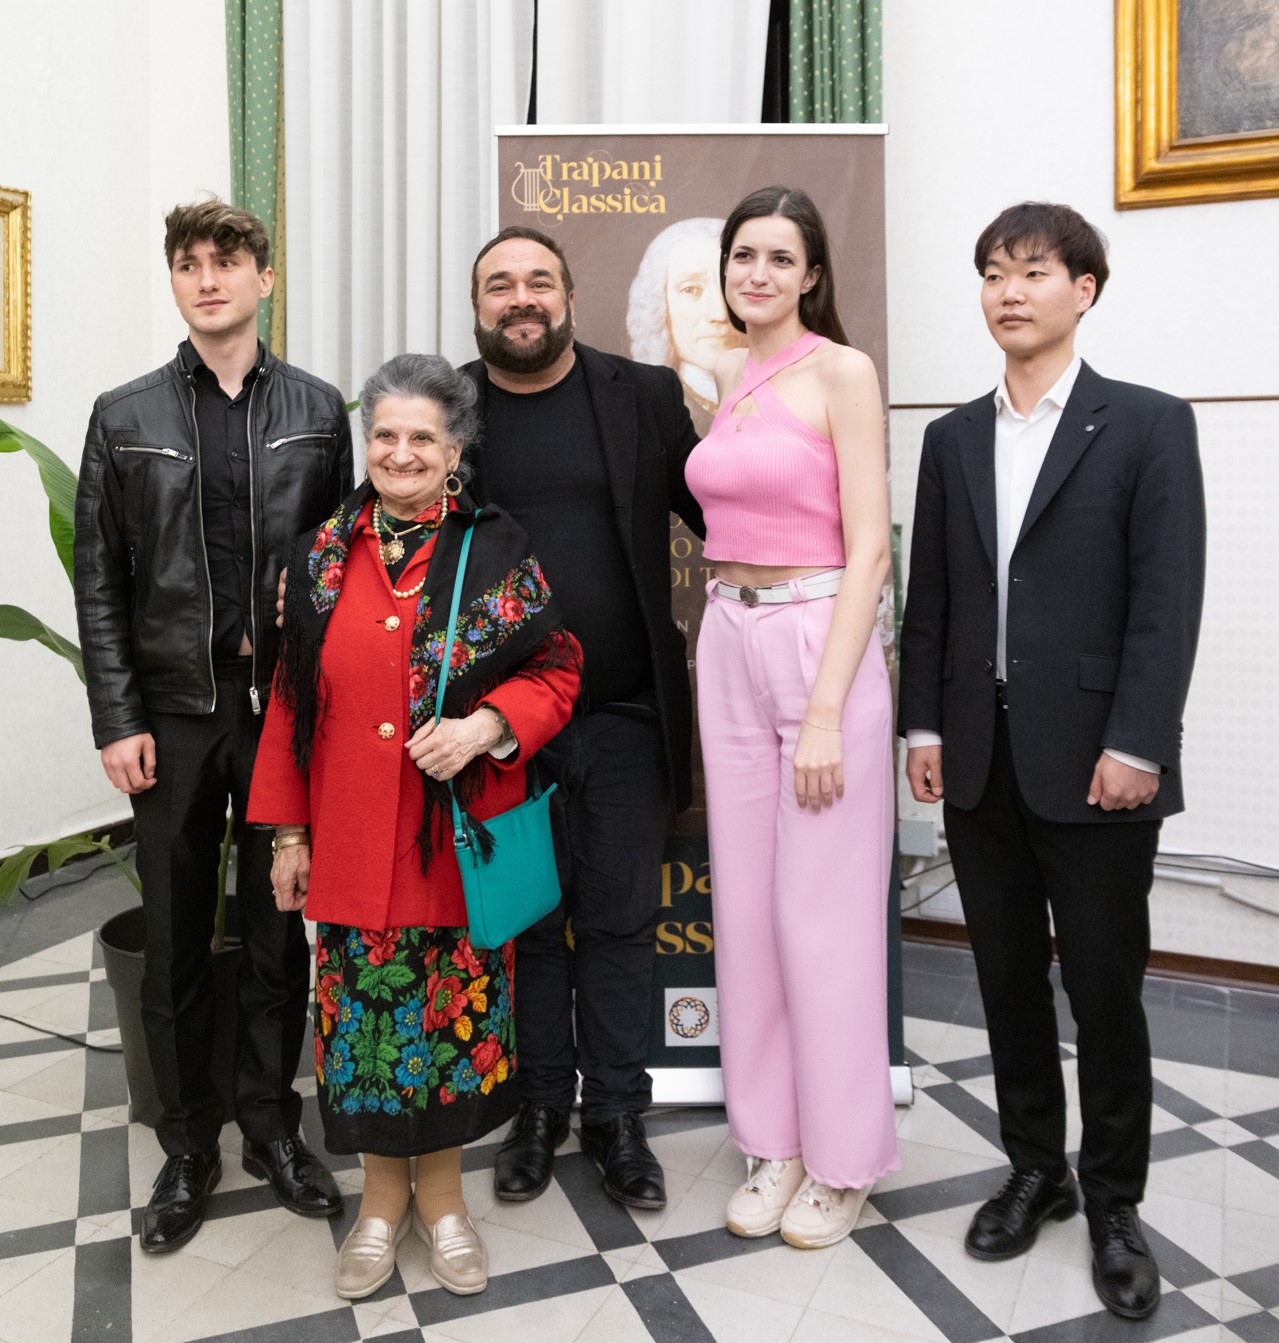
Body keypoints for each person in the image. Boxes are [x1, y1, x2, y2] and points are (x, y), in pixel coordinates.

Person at [898, 202, 1206, 1320]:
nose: (1007, 290)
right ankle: (1037, 1166)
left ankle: (1117, 1200)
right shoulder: (947, 439)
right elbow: (929, 598)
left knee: (1103, 985)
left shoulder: (1147, 424)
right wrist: (923, 729)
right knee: (1004, 978)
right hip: (977, 760)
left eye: (1032, 271)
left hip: (1097, 765)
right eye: (990, 272)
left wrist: (1138, 741)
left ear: (1085, 289)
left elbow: (1164, 606)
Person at [247, 353, 581, 1298]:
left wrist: (485, 725)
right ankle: (378, 1207)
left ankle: (444, 1205)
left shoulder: (495, 547)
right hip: (348, 841)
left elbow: (558, 671)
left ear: (456, 448)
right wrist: (287, 833)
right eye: (383, 434)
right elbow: (288, 699)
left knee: (445, 1029)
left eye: (421, 437)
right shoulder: (317, 556)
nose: (399, 452)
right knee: (360, 1033)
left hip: (454, 846)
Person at [73, 198, 351, 1253]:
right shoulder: (125, 413)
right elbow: (98, 580)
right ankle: (188, 1144)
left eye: (226, 261)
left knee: (279, 926)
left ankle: (274, 1126)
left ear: (263, 279)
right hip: (175, 717)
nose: (206, 278)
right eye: (187, 263)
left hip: (280, 712)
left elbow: (336, 574)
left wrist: (323, 715)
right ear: (176, 283)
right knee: (180, 931)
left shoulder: (321, 412)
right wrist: (117, 714)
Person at [462, 226, 704, 1211]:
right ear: (477, 305)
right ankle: (537, 1111)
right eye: (499, 284)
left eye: (538, 281)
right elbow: (387, 528)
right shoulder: (448, 409)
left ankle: (614, 1116)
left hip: (627, 716)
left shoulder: (641, 396)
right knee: (527, 928)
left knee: (619, 928)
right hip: (501, 727)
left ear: (568, 294)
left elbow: (719, 510)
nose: (521, 297)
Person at [684, 185, 900, 1249]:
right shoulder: (722, 375)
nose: (758, 273)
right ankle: (772, 1137)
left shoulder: (842, 372)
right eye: (743, 256)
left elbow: (869, 545)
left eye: (779, 257)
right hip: (726, 633)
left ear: (811, 273)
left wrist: (825, 710)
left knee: (825, 914)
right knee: (755, 909)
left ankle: (842, 1157)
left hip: (822, 643)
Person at [626, 216, 747, 435]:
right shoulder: (644, 414)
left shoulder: (792, 397)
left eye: (730, 287)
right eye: (691, 289)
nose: (719, 313)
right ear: (659, 305)